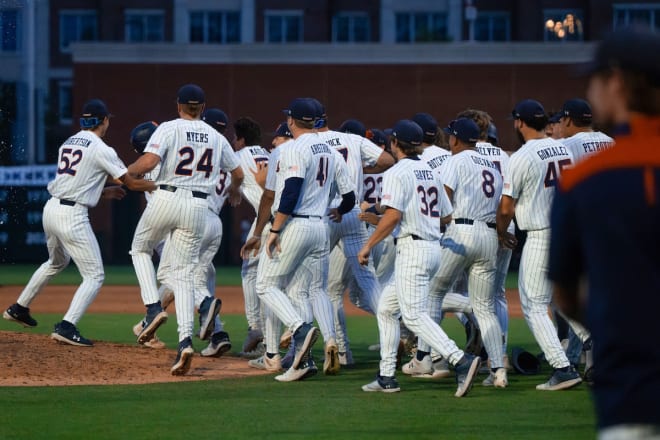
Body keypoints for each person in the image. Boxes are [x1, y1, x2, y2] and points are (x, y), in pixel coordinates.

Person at [550, 28, 660, 439]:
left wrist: (615, 323)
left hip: (631, 389)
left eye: (594, 80)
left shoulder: (584, 179)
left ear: (616, 82)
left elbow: (565, 294)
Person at [3, 99, 154, 346]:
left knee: (55, 261)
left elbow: (77, 180)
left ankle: (19, 308)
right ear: (104, 121)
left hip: (51, 208)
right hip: (72, 216)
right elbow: (131, 182)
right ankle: (67, 325)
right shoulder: (101, 148)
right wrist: (164, 186)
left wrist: (103, 191)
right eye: (108, 120)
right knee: (95, 275)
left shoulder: (68, 142)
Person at [358, 119, 481, 396]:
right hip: (432, 247)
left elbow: (392, 215)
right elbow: (446, 216)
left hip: (413, 249)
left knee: (413, 316)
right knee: (387, 309)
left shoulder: (397, 171)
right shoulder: (429, 171)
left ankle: (460, 359)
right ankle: (387, 376)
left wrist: (368, 245)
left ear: (394, 143)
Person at [127, 84, 243, 375]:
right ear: (202, 108)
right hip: (198, 207)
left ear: (179, 105)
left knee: (140, 249)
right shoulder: (217, 137)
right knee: (182, 275)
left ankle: (153, 307)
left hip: (167, 196)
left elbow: (150, 161)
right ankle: (185, 341)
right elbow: (238, 172)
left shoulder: (169, 127)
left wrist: (128, 172)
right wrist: (235, 191)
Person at [253, 98, 356, 382]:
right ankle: (307, 358)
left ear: (291, 121)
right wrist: (338, 210)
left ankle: (299, 329)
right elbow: (349, 198)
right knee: (312, 290)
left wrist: (274, 230)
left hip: (296, 224)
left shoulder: (293, 148)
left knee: (265, 284)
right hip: (321, 225)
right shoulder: (332, 152)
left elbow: (291, 189)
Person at [496, 98, 582, 390]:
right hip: (568, 229)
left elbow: (506, 207)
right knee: (562, 297)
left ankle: (563, 369)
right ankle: (594, 339)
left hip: (542, 233)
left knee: (534, 304)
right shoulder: (563, 146)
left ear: (520, 122)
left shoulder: (521, 157)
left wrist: (500, 232)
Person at [555, 98, 614, 162]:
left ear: (568, 120)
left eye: (561, 119)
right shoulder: (611, 141)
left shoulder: (564, 146)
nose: (560, 122)